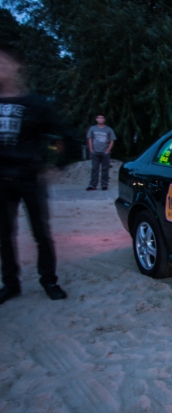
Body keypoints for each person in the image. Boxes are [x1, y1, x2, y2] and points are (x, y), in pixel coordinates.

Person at [0, 46, 70, 304]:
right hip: (1, 180)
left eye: (2, 62)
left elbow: (66, 134)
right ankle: (10, 284)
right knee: (4, 236)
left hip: (30, 178)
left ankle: (49, 281)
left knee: (41, 234)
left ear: (16, 66)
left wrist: (56, 166)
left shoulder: (35, 104)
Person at [85, 114, 116, 191]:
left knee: (105, 169)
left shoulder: (109, 129)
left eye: (102, 118)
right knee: (94, 169)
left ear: (104, 119)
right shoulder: (92, 128)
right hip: (95, 152)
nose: (100, 119)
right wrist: (91, 149)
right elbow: (90, 139)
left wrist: (108, 150)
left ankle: (104, 184)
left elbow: (112, 140)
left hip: (105, 152)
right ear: (96, 119)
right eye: (98, 118)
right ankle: (93, 185)